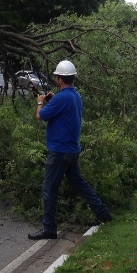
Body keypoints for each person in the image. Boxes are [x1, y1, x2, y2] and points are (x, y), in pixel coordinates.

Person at [29, 60, 112, 240]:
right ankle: (103, 213)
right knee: (80, 183)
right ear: (72, 78)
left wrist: (41, 101)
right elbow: (62, 109)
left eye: (57, 77)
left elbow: (39, 116)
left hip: (59, 151)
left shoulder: (60, 98)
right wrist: (53, 99)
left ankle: (49, 228)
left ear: (60, 79)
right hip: (72, 150)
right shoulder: (75, 96)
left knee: (49, 189)